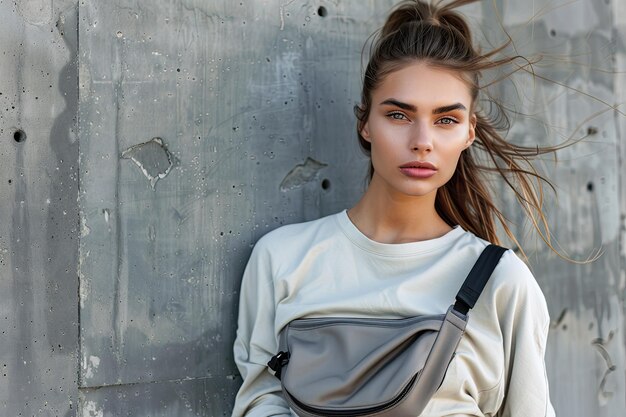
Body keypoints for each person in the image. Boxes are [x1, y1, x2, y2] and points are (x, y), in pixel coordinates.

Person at [232, 0, 558, 415]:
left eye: (446, 120)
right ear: (366, 123)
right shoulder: (282, 259)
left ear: (469, 132)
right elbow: (259, 403)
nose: (422, 140)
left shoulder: (502, 282)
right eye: (399, 114)